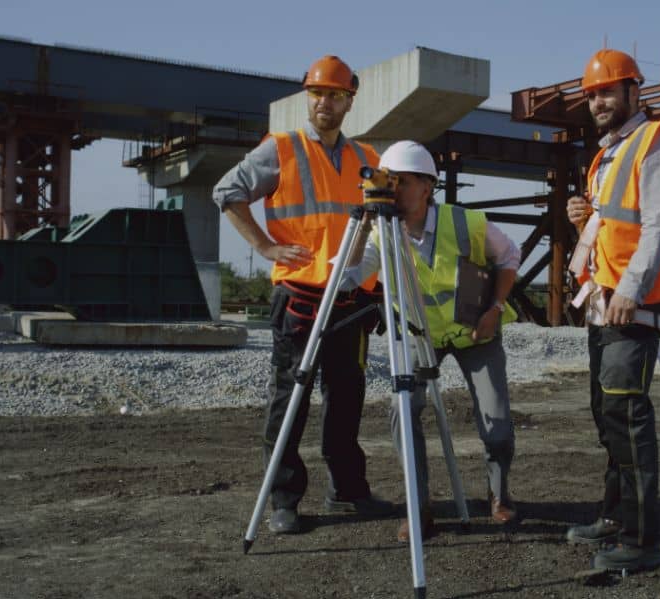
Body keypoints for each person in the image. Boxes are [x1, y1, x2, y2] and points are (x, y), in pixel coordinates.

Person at [212, 55, 393, 535]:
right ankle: (285, 499)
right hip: (300, 294)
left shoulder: (369, 160)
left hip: (351, 298)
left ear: (349, 101)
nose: (324, 103)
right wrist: (265, 246)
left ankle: (348, 491)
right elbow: (227, 192)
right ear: (307, 98)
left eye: (334, 95)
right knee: (290, 398)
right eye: (317, 94)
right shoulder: (282, 149)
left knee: (348, 396)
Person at [343, 140, 520, 542]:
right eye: (390, 182)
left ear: (427, 186)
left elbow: (510, 256)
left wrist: (494, 309)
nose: (394, 190)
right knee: (404, 412)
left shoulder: (465, 222)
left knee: (498, 427)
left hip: (475, 331)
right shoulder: (380, 233)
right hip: (415, 331)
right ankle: (419, 510)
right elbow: (349, 275)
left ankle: (499, 493)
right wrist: (367, 222)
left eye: (402, 182)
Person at [563, 49, 660, 572]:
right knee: (606, 413)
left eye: (607, 91)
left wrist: (630, 290)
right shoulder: (610, 152)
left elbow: (658, 226)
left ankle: (641, 542)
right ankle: (615, 517)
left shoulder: (655, 143)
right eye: (592, 94)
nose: (598, 101)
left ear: (635, 92)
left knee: (628, 416)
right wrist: (583, 223)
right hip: (604, 302)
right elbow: (618, 225)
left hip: (631, 305)